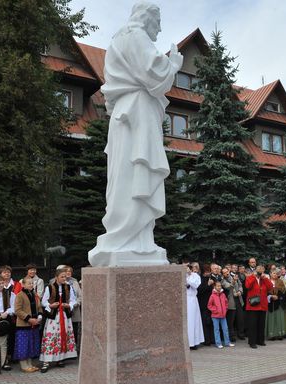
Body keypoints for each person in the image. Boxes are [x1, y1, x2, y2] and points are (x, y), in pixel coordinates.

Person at [88, 2, 183, 266]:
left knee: (125, 175)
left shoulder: (117, 40)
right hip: (137, 113)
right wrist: (173, 64)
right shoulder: (135, 35)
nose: (160, 28)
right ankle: (129, 238)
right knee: (134, 172)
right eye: (158, 21)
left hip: (125, 115)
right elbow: (154, 73)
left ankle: (138, 239)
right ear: (146, 18)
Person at [39, 268, 77, 372]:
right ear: (56, 277)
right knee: (51, 335)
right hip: (53, 316)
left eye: (65, 276)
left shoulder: (68, 287)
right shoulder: (50, 287)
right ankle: (46, 361)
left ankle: (60, 358)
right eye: (62, 277)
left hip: (64, 315)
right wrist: (50, 305)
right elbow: (43, 301)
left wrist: (68, 305)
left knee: (62, 335)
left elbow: (73, 300)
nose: (64, 278)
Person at [13, 277, 43, 373]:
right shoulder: (20, 295)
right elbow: (17, 310)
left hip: (34, 324)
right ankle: (23, 365)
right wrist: (29, 319)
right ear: (23, 285)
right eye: (29, 283)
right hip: (24, 325)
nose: (31, 285)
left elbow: (39, 307)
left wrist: (39, 317)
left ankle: (30, 364)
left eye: (32, 283)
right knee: (23, 345)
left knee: (31, 344)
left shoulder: (34, 294)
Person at [244, 265, 272, 348]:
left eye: (262, 270)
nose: (260, 271)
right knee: (252, 325)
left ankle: (260, 340)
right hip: (253, 305)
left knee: (261, 324)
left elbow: (270, 287)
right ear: (255, 270)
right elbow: (247, 286)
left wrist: (265, 278)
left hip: (262, 305)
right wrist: (253, 276)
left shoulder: (264, 279)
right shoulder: (250, 277)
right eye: (259, 270)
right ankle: (252, 342)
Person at [221, 267, 244, 342]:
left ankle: (241, 334)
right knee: (231, 320)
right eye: (224, 272)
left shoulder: (234, 277)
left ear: (229, 271)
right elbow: (228, 287)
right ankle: (232, 336)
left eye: (227, 271)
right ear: (223, 274)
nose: (226, 273)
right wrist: (233, 281)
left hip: (239, 300)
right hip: (231, 302)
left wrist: (240, 291)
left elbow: (240, 285)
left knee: (240, 319)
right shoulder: (223, 280)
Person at [207, 281, 232, 348]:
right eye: (217, 286)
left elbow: (226, 303)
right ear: (215, 287)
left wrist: (225, 310)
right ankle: (218, 343)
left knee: (225, 329)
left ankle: (227, 342)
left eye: (220, 286)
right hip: (215, 316)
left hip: (223, 316)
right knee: (216, 330)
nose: (219, 287)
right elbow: (209, 305)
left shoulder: (223, 295)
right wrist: (215, 310)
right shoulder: (212, 296)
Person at [185, 263, 204, 350]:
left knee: (193, 320)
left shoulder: (195, 275)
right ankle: (186, 341)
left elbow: (196, 285)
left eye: (187, 267)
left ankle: (193, 342)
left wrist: (189, 276)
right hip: (184, 299)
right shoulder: (182, 275)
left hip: (192, 300)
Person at [265, 269, 286, 341]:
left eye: (276, 273)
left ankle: (279, 334)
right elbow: (264, 291)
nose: (275, 275)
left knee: (278, 318)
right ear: (270, 274)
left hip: (278, 302)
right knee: (271, 319)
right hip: (270, 302)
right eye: (273, 273)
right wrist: (271, 296)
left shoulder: (280, 281)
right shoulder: (267, 281)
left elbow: (283, 291)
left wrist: (278, 296)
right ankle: (272, 335)